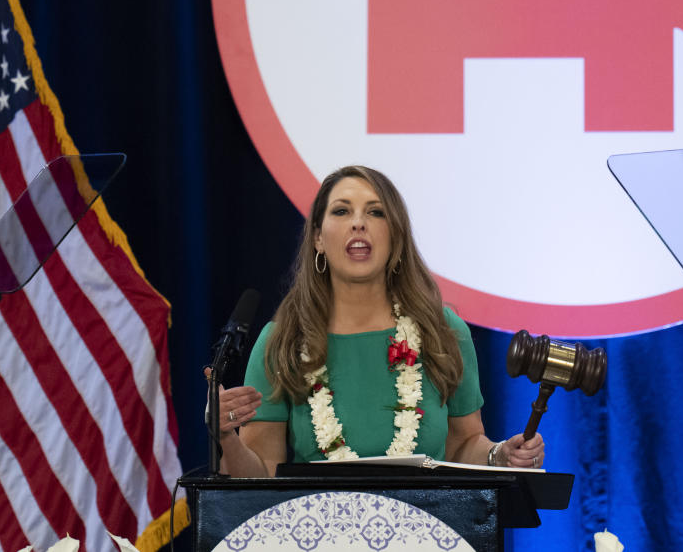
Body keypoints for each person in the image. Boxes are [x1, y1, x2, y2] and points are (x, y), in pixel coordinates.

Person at [213, 165, 545, 477]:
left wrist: (498, 456)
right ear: (317, 238)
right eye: (342, 211)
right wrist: (225, 436)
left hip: (430, 527)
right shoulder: (281, 341)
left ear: (396, 238)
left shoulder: (442, 331)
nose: (358, 223)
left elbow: (463, 445)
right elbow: (261, 476)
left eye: (375, 212)